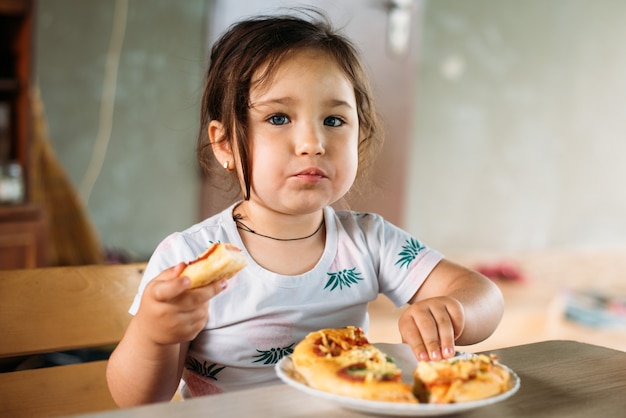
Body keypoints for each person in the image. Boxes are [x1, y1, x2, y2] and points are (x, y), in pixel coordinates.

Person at [106, 10, 504, 407]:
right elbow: (139, 401)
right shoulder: (188, 261)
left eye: (333, 120)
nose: (313, 142)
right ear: (225, 144)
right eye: (279, 118)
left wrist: (451, 310)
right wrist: (153, 333)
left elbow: (483, 295)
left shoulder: (367, 239)